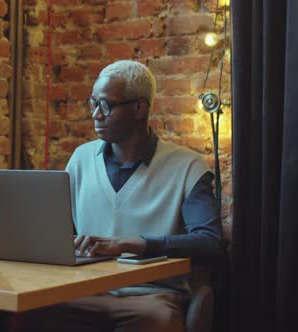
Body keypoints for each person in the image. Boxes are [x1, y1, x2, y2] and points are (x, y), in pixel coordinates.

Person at [21, 60, 222, 332]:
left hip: (151, 298)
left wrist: (134, 244)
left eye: (105, 105)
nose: (95, 115)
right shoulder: (81, 159)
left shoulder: (188, 167)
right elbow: (55, 232)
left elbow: (208, 242)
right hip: (82, 292)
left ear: (140, 109)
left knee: (156, 322)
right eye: (92, 104)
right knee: (32, 314)